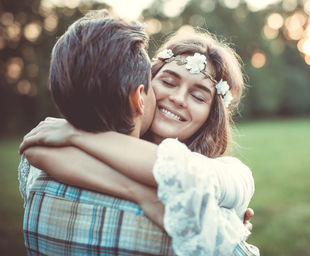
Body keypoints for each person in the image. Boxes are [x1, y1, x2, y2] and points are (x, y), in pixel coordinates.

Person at [19, 11, 259, 256]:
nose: (177, 99)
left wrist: (75, 134)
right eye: (167, 82)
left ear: (212, 114)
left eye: (198, 96)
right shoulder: (59, 153)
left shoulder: (230, 173)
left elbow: (185, 171)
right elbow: (35, 152)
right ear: (143, 89)